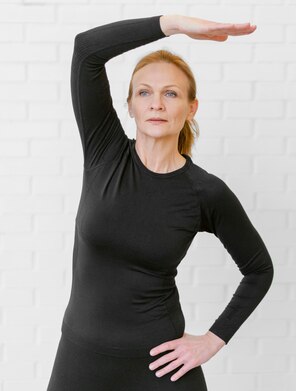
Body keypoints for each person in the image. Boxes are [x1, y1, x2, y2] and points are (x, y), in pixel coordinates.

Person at [46, 14, 274, 391]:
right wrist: (173, 24)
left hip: (160, 366)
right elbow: (87, 50)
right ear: (131, 106)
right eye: (144, 93)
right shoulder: (104, 153)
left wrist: (212, 340)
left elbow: (259, 270)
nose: (156, 104)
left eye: (170, 93)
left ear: (191, 108)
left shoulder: (205, 192)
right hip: (80, 359)